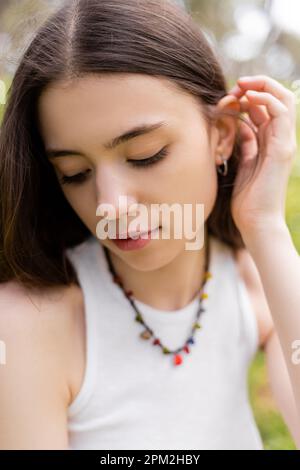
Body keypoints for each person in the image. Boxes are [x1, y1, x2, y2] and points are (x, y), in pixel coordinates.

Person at [0, 0, 299, 450]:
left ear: (221, 135)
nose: (111, 205)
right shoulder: (28, 322)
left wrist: (266, 228)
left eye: (146, 155)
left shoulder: (253, 281)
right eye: (75, 173)